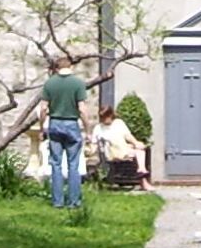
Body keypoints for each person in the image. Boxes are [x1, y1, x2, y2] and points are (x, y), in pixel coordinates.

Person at [41, 54, 91, 209]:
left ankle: (57, 201)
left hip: (55, 123)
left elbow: (43, 108)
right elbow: (82, 109)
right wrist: (88, 129)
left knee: (55, 164)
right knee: (73, 164)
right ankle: (74, 201)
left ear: (56, 68)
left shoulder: (49, 83)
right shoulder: (78, 83)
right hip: (71, 124)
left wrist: (42, 126)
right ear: (71, 67)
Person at [95, 103, 151, 189]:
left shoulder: (118, 123)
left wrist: (136, 143)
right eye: (102, 117)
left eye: (106, 117)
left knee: (140, 149)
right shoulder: (98, 128)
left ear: (110, 115)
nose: (104, 119)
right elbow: (96, 144)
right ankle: (143, 177)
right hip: (112, 153)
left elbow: (127, 136)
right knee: (138, 154)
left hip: (122, 149)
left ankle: (142, 171)